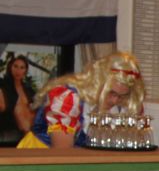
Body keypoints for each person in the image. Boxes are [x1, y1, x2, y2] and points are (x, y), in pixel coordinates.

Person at [17, 51, 145, 148]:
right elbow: (62, 155)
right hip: (35, 165)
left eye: (122, 95)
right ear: (98, 82)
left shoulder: (124, 106)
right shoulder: (68, 98)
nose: (114, 101)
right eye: (111, 93)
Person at [0, 55, 35, 147]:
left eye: (22, 67)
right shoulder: (3, 87)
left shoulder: (29, 90)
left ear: (25, 71)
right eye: (15, 66)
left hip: (30, 132)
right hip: (10, 130)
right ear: (10, 67)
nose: (18, 70)